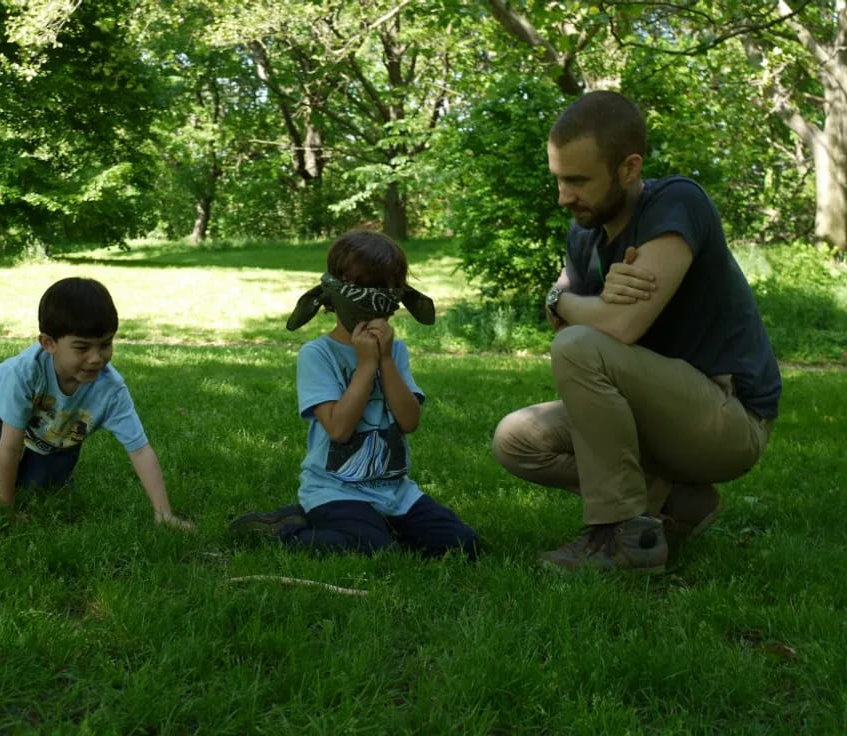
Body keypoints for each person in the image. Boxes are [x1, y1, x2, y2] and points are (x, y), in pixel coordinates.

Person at [492, 91, 781, 572]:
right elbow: (559, 309)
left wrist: (573, 303)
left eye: (578, 180)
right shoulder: (585, 232)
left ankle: (622, 536)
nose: (564, 196)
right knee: (517, 439)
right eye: (559, 179)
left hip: (728, 417)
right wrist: (570, 301)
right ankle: (679, 502)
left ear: (629, 169)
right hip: (658, 414)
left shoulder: (677, 204)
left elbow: (618, 326)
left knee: (579, 346)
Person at [229, 230, 479, 559]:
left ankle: (382, 528)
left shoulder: (396, 351)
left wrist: (386, 360)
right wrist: (366, 365)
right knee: (372, 551)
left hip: (395, 492)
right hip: (334, 491)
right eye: (364, 287)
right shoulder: (318, 354)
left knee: (463, 546)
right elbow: (338, 428)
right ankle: (286, 529)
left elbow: (409, 420)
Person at [0, 277, 193, 530]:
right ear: (49, 343)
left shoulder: (110, 390)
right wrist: (6, 510)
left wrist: (163, 513)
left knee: (39, 489)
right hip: (5, 412)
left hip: (59, 429)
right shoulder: (24, 374)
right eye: (82, 348)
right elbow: (11, 446)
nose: (96, 358)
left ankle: (38, 462)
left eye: (106, 344)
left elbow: (140, 450)